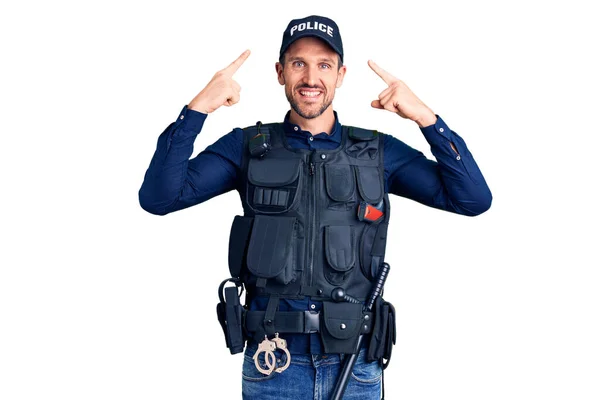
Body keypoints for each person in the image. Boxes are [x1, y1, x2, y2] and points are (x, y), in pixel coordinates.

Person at [139, 15, 492, 400]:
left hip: (355, 366)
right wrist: (196, 111)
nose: (311, 78)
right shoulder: (247, 146)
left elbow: (472, 199)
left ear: (340, 75)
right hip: (274, 364)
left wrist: (428, 119)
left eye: (324, 65)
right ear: (280, 72)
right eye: (298, 63)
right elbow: (159, 198)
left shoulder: (378, 152)